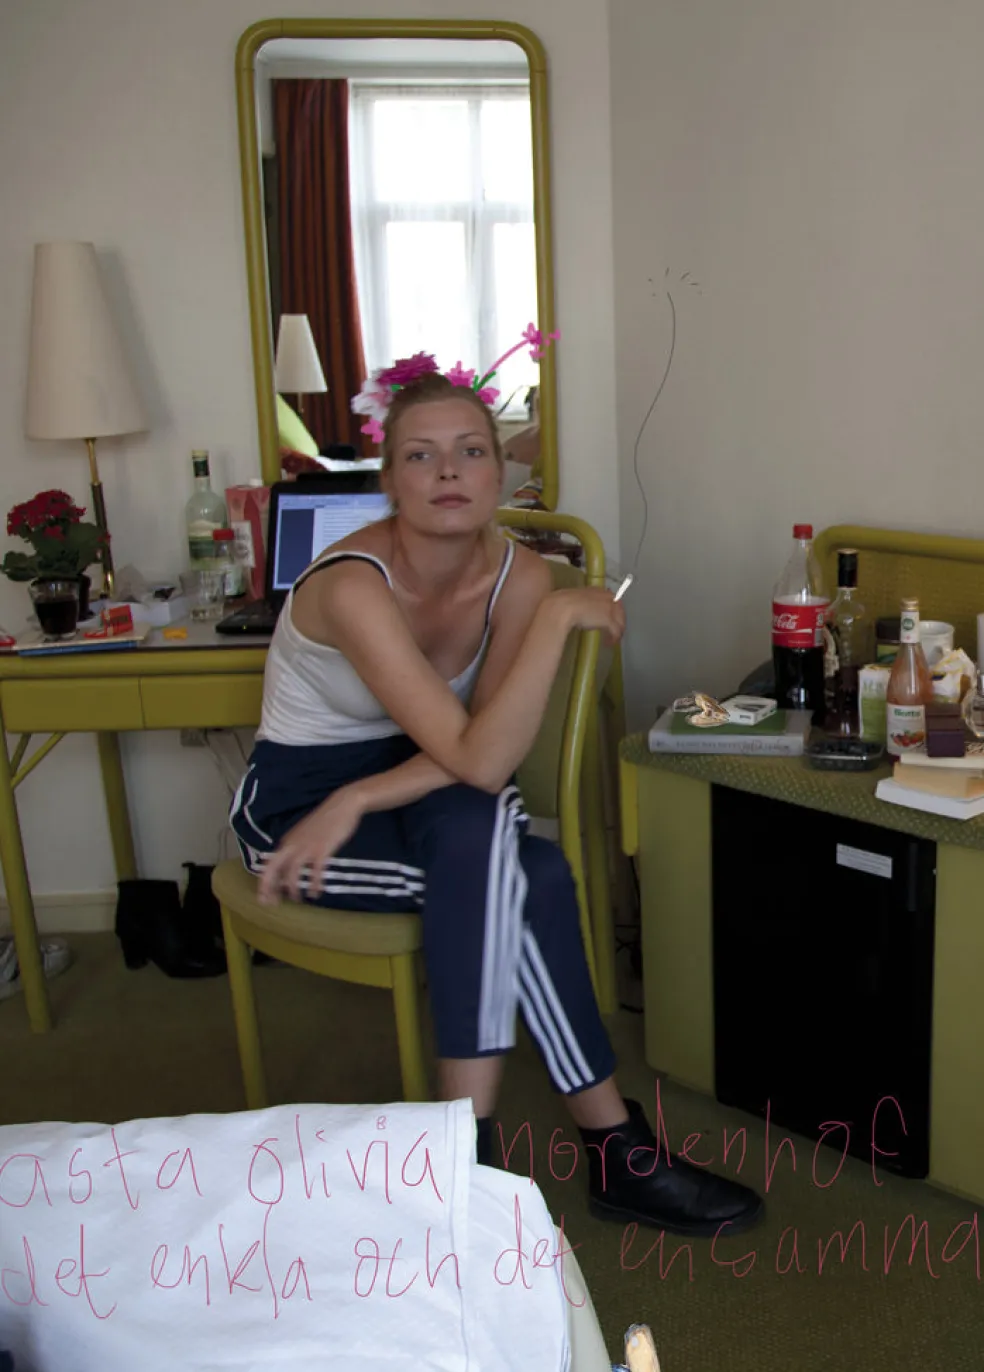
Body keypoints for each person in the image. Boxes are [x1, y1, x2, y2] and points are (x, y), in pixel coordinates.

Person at [231, 344, 763, 1238]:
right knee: (527, 871)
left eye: (471, 451)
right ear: (390, 483)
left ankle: (467, 1163)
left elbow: (484, 749)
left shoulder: (521, 574)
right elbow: (482, 759)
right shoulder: (353, 586)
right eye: (420, 455)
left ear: (501, 470)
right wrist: (555, 621)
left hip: (430, 779)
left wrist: (540, 610)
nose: (448, 472)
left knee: (491, 844)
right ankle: (605, 1150)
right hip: (302, 808)